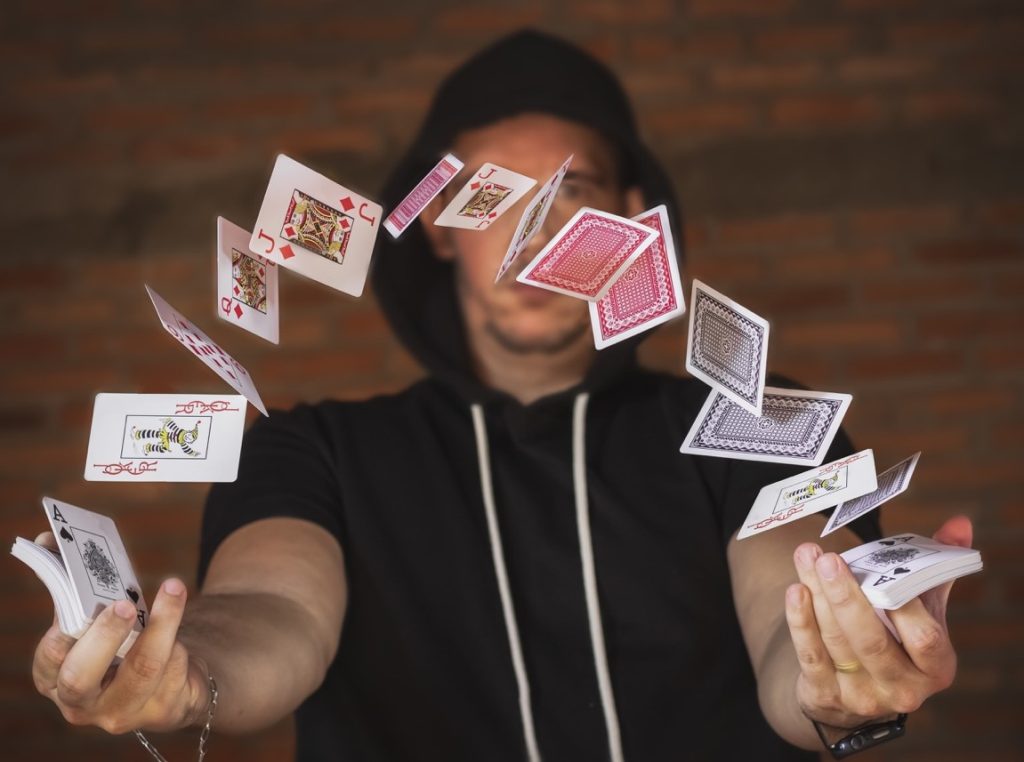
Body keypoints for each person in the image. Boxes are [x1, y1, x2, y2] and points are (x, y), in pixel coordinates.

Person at [30, 30, 971, 761]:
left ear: (637, 221)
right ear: (439, 225)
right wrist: (187, 673)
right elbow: (272, 611)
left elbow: (789, 621)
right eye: (494, 197)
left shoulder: (753, 416)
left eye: (570, 196)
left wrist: (834, 675)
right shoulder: (308, 449)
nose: (528, 238)